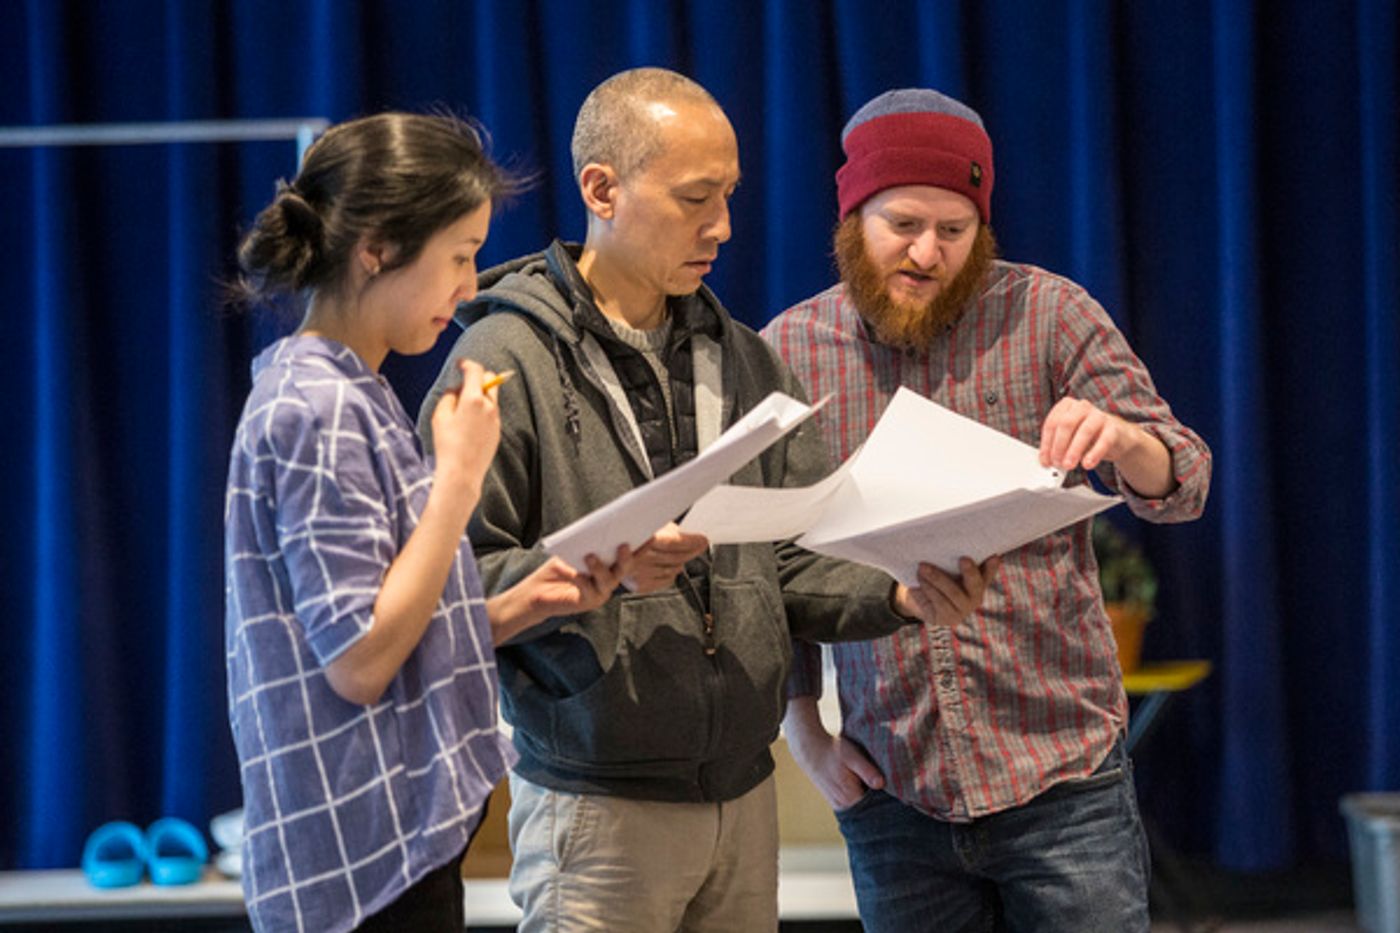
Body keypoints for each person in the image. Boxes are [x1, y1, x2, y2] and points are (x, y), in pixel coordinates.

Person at [417, 69, 994, 932]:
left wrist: (897, 592)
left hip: (741, 791)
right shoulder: (504, 360)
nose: (722, 225)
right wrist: (599, 572)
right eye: (695, 198)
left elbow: (793, 551)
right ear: (601, 190)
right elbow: (446, 583)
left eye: (728, 194)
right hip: (597, 807)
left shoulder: (744, 358)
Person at [762, 88, 1213, 933]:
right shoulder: (787, 351)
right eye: (902, 223)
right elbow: (769, 564)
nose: (927, 252)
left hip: (1061, 777)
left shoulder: (1049, 315)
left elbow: (1183, 480)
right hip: (894, 785)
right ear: (852, 213)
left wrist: (1122, 437)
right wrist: (805, 732)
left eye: (953, 229)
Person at [224, 112, 629, 933]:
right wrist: (458, 475)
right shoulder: (319, 406)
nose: (470, 285)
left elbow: (384, 624)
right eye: (457, 255)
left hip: (393, 855)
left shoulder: (351, 390)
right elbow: (360, 662)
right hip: (362, 873)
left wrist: (527, 604)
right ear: (375, 248)